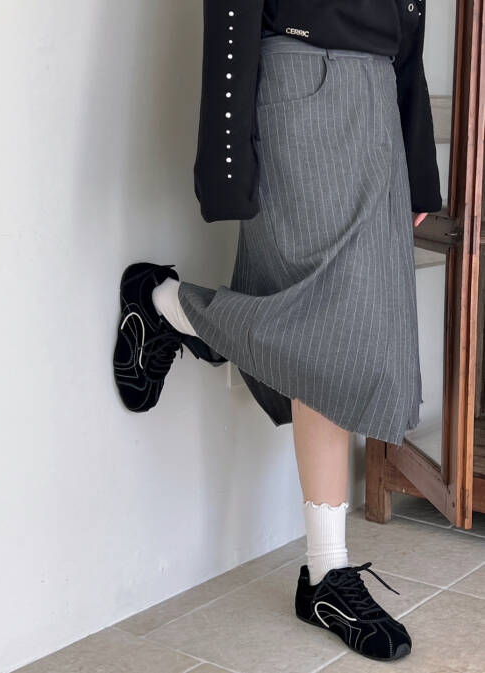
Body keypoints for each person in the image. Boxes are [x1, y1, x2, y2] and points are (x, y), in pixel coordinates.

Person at [113, 0, 442, 661]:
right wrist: (225, 160)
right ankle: (164, 302)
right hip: (300, 84)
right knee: (324, 332)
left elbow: (409, 17)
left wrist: (415, 162)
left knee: (351, 341)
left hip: (377, 96)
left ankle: (324, 574)